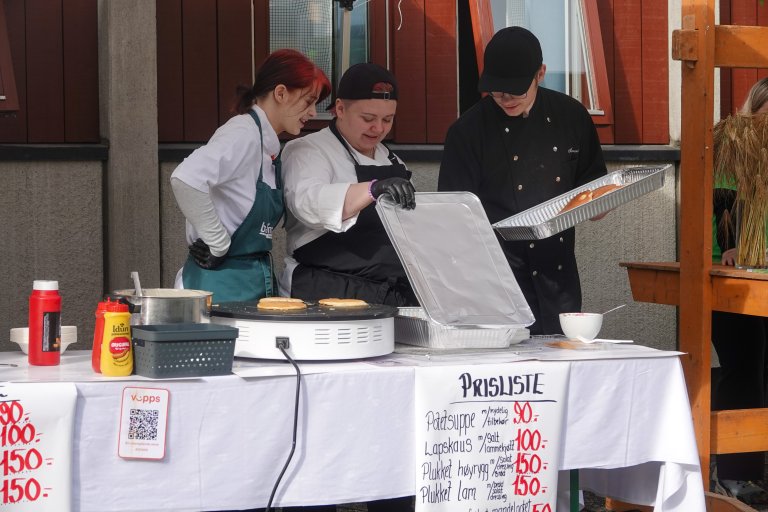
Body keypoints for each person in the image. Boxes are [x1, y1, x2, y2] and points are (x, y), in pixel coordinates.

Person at [438, 26, 607, 335]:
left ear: (540, 74)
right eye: (497, 91)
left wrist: (601, 202)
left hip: (558, 277)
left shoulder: (572, 116)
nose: (505, 99)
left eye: (516, 90)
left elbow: (594, 189)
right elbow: (453, 216)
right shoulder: (467, 132)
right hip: (496, 282)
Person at [171, 49, 330, 303]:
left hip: (252, 283)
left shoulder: (268, 147)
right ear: (280, 93)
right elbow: (186, 178)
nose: (312, 112)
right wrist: (218, 243)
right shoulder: (243, 133)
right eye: (308, 101)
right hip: (217, 286)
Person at [279, 62, 418, 310]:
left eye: (388, 119)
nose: (378, 128)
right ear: (340, 109)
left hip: (386, 292)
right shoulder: (308, 150)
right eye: (368, 118)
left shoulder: (393, 160)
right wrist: (371, 190)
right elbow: (306, 203)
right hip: (323, 290)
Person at [711, 76, 768, 506]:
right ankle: (736, 472)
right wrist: (731, 246)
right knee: (743, 368)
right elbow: (721, 212)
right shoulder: (732, 145)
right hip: (734, 281)